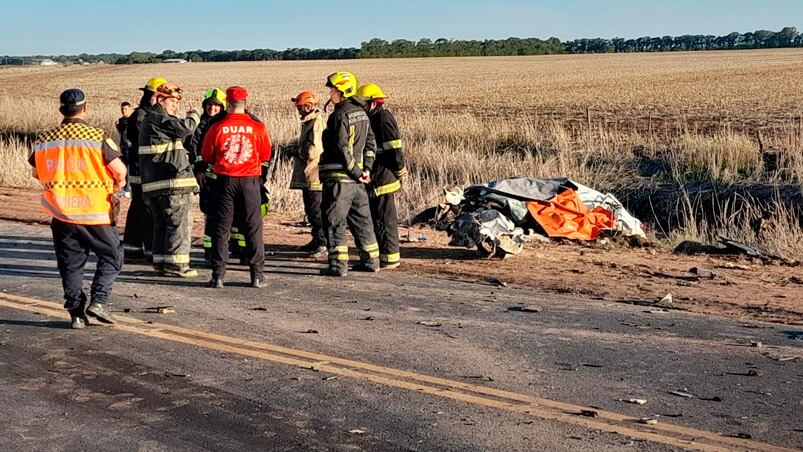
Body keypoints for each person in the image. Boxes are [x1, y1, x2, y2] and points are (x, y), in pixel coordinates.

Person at [29, 89, 126, 328]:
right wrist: (119, 184)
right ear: (85, 108)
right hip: (95, 212)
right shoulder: (97, 136)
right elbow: (120, 171)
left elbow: (36, 172)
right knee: (113, 256)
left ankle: (76, 314)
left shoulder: (44, 139)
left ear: (61, 110)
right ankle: (99, 302)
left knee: (70, 265)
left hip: (61, 213)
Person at [201, 86, 272, 288]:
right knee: (253, 228)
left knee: (221, 229)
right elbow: (266, 154)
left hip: (225, 181)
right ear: (245, 103)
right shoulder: (257, 126)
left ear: (227, 103)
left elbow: (206, 155)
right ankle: (257, 275)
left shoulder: (217, 127)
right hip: (250, 181)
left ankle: (218, 275)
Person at [319, 71, 380, 277]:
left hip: (340, 180)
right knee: (362, 220)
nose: (330, 93)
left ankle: (338, 265)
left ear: (344, 90)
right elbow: (371, 144)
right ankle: (372, 261)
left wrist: (355, 171)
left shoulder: (339, 115)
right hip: (358, 182)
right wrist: (366, 170)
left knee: (334, 221)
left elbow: (342, 148)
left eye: (333, 89)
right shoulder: (362, 113)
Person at [138, 82, 200, 278]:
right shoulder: (161, 119)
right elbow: (185, 128)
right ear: (160, 100)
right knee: (178, 225)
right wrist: (194, 115)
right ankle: (177, 266)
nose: (175, 106)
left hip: (156, 185)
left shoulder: (150, 120)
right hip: (172, 183)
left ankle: (162, 263)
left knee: (162, 225)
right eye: (172, 101)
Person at [355, 83, 406, 270]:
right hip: (375, 176)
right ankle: (382, 256)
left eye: (362, 103)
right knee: (377, 218)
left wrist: (400, 170)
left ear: (374, 103)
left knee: (385, 219)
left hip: (383, 176)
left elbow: (394, 150)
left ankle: (390, 259)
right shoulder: (370, 118)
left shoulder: (383, 119)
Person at [122, 77, 165, 262]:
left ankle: (132, 248)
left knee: (138, 207)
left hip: (142, 169)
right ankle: (149, 249)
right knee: (148, 208)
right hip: (142, 171)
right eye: (161, 97)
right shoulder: (142, 116)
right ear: (153, 96)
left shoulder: (143, 114)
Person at [187, 88, 227, 264]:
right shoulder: (201, 125)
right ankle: (210, 251)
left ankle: (230, 248)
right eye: (209, 105)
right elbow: (194, 149)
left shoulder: (225, 124)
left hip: (224, 177)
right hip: (207, 178)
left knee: (225, 214)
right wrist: (199, 169)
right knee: (209, 214)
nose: (212, 108)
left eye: (216, 105)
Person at [289, 91, 325, 257]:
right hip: (308, 174)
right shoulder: (308, 122)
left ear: (309, 106)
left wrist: (298, 152)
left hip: (314, 174)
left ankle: (322, 243)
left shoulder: (316, 123)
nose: (298, 110)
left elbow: (314, 150)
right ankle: (316, 240)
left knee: (316, 210)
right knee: (311, 210)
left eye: (300, 107)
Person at [115, 101, 133, 197]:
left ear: (130, 109)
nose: (123, 111)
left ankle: (128, 188)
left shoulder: (133, 120)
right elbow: (121, 133)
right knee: (123, 167)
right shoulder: (121, 120)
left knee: (130, 168)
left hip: (131, 147)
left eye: (125, 109)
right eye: (122, 109)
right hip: (123, 146)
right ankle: (124, 187)